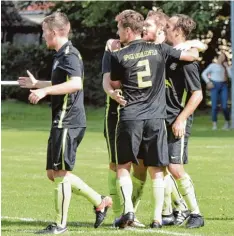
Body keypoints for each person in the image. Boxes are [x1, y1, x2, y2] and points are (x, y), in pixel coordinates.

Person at [18, 12, 112, 235]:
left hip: (68, 120)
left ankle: (60, 225)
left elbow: (76, 84)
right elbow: (62, 82)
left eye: (43, 32)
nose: (42, 36)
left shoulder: (70, 54)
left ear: (53, 32)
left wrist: (44, 91)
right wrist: (37, 83)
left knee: (60, 172)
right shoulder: (60, 55)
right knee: (53, 173)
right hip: (61, 119)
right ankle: (100, 201)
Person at [104, 9, 198, 228]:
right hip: (156, 117)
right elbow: (191, 55)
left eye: (119, 29)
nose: (117, 32)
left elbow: (116, 83)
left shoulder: (119, 55)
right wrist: (193, 47)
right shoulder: (160, 50)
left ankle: (129, 210)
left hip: (132, 115)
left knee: (124, 166)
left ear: (128, 30)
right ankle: (157, 217)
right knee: (157, 168)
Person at [163, 14, 205, 228]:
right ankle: (176, 210)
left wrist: (181, 119)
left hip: (175, 120)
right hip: (160, 119)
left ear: (178, 31)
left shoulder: (187, 62)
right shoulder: (169, 53)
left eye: (168, 26)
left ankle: (196, 214)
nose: (165, 28)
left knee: (175, 167)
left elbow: (197, 94)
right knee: (161, 167)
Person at [102, 39, 146, 228]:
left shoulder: (145, 49)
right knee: (116, 163)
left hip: (143, 114)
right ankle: (120, 213)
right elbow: (107, 80)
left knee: (142, 166)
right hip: (116, 114)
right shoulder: (112, 49)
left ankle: (131, 212)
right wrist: (112, 93)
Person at [201, 52, 231, 130]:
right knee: (214, 106)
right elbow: (204, 74)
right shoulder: (213, 66)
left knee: (224, 106)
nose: (222, 58)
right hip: (214, 85)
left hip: (224, 85)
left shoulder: (225, 67)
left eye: (223, 57)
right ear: (218, 57)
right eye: (221, 56)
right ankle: (214, 125)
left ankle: (227, 123)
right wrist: (208, 82)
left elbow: (231, 76)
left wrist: (227, 67)